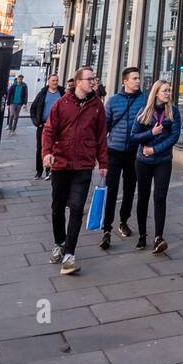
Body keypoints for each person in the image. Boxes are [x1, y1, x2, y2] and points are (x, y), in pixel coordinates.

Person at [41, 65, 108, 276]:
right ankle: (59, 242)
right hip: (61, 163)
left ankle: (70, 254)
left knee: (77, 208)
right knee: (57, 207)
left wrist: (103, 163)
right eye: (89, 79)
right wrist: (47, 153)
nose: (93, 82)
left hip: (83, 164)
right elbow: (49, 130)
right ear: (78, 82)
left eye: (94, 79)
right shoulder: (62, 104)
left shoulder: (97, 106)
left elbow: (101, 137)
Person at [130, 80, 181, 254]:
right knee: (143, 198)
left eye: (169, 90)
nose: (168, 93)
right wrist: (151, 133)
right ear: (156, 92)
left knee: (160, 198)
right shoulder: (145, 111)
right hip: (143, 161)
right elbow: (134, 136)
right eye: (165, 90)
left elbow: (174, 137)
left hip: (163, 160)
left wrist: (154, 149)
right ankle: (142, 236)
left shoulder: (173, 112)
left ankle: (158, 237)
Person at [99, 66, 146, 250]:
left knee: (129, 189)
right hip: (114, 151)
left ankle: (123, 221)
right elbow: (105, 127)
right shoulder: (113, 101)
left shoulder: (144, 100)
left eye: (138, 78)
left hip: (134, 152)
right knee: (111, 190)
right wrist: (101, 155)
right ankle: (107, 228)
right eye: (134, 78)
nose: (137, 81)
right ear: (125, 81)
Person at [29, 72, 63, 179]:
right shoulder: (42, 94)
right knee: (40, 148)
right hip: (43, 126)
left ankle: (49, 171)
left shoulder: (62, 93)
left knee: (53, 148)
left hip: (57, 127)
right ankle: (39, 171)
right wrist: (36, 122)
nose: (55, 82)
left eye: (57, 80)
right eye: (53, 80)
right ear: (48, 81)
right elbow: (33, 108)